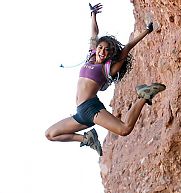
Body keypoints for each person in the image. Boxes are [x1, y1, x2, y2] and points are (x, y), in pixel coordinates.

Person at [45, 3, 166, 156]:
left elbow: (127, 47)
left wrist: (147, 31)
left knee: (124, 129)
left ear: (110, 54)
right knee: (50, 134)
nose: (102, 51)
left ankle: (144, 96)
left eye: (106, 50)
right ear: (97, 49)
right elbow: (94, 33)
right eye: (101, 48)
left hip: (91, 108)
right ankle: (87, 138)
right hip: (80, 113)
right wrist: (93, 15)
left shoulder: (107, 68)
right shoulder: (90, 56)